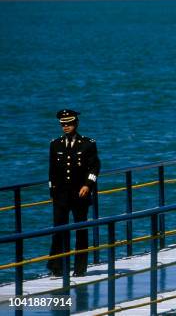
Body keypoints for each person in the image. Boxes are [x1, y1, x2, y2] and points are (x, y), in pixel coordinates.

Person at [47, 109, 100, 277]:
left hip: (80, 194)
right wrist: (52, 191)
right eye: (63, 124)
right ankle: (57, 267)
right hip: (61, 195)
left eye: (69, 124)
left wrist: (88, 185)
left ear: (76, 123)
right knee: (59, 230)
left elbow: (95, 167)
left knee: (80, 230)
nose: (66, 127)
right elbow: (52, 171)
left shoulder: (87, 144)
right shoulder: (55, 144)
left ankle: (79, 268)